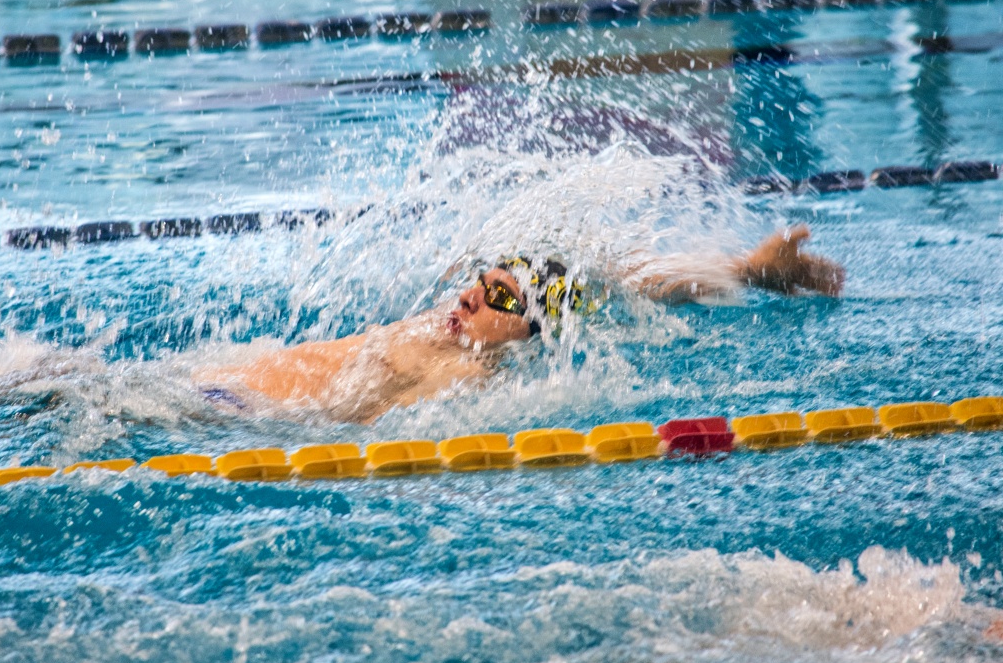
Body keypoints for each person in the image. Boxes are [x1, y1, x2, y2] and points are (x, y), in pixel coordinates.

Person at [193, 224, 844, 424]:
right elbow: (615, 282)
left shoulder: (465, 369)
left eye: (498, 299)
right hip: (211, 377)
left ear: (530, 331)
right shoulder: (447, 325)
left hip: (230, 410)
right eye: (480, 283)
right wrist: (745, 270)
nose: (471, 299)